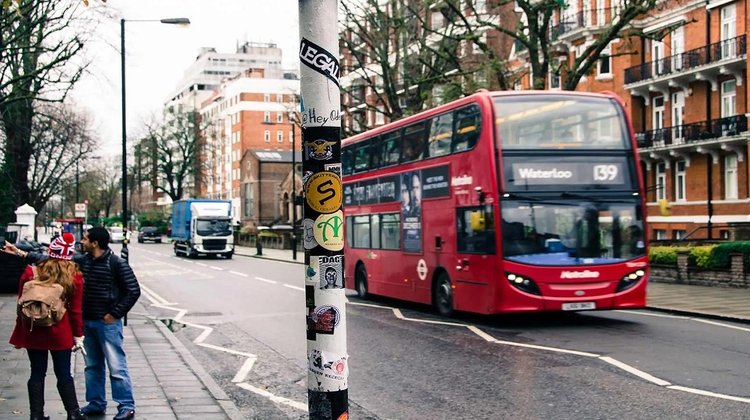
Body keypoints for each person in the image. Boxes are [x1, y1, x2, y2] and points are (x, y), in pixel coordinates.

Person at [7, 227, 141, 420]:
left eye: (86, 239)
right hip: (81, 324)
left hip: (106, 323)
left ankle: (126, 406)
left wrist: (115, 313)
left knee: (116, 366)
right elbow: (51, 260)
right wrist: (21, 253)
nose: (82, 242)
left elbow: (133, 290)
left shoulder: (116, 263)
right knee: (90, 366)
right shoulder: (79, 264)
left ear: (95, 243)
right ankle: (91, 405)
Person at [6, 233, 87, 420]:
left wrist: (19, 334)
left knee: (36, 373)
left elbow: (21, 305)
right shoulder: (74, 277)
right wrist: (78, 336)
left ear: (50, 252)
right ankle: (73, 413)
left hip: (33, 330)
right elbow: (75, 311)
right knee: (63, 373)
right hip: (61, 332)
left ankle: (36, 415)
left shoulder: (31, 272)